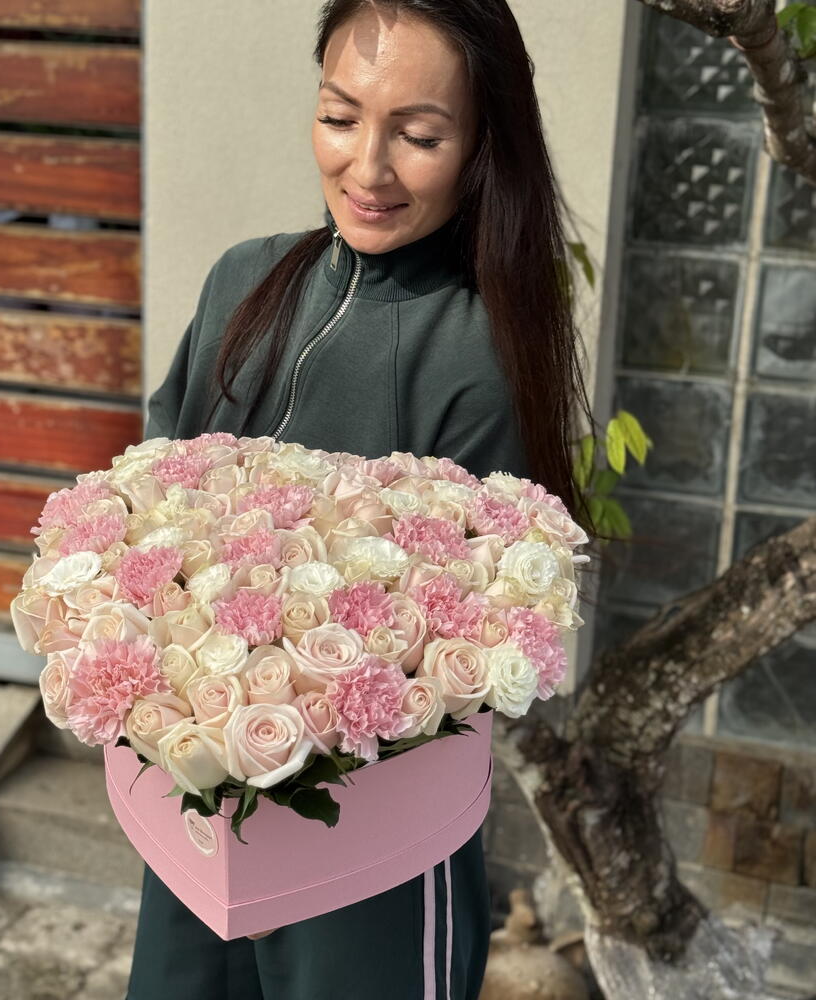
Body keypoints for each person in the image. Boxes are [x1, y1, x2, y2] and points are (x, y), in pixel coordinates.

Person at [126, 2, 596, 997]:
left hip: (372, 852)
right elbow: (146, 511)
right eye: (340, 117)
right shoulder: (242, 281)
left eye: (418, 135)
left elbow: (462, 650)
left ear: (482, 146)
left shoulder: (480, 352)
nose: (367, 167)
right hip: (204, 814)